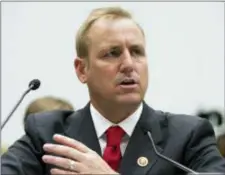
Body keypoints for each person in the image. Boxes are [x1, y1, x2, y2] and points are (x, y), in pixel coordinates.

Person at [1, 6, 225, 175]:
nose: (129, 64)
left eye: (136, 51)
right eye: (112, 53)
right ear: (82, 70)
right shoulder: (48, 134)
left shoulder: (188, 136)